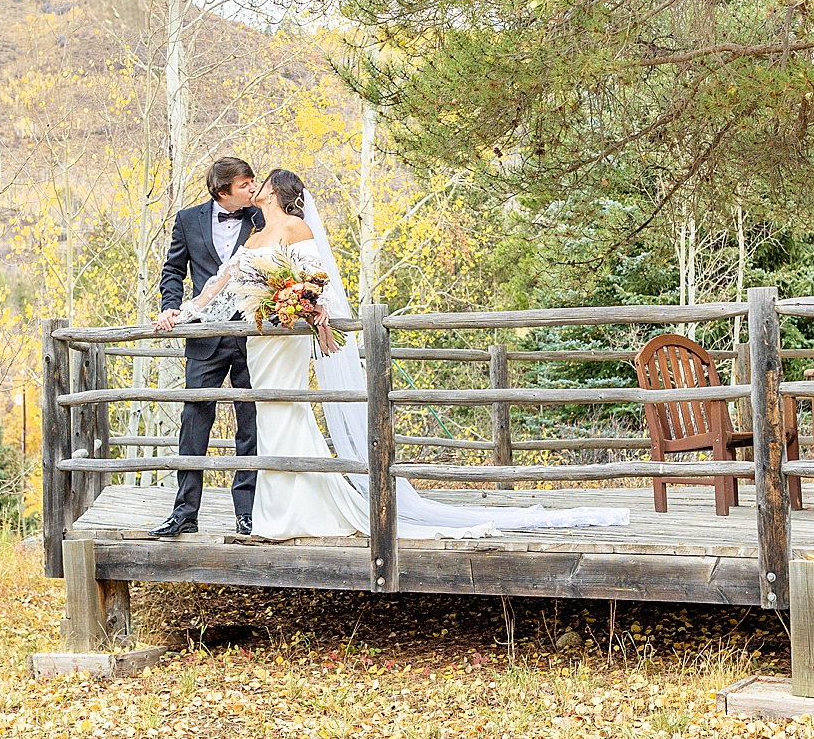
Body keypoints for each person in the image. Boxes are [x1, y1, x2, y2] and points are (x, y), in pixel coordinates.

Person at [157, 169, 629, 539]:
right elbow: (218, 288)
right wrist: (178, 313)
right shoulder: (254, 237)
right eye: (247, 184)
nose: (255, 188)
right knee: (268, 416)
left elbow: (313, 280)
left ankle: (298, 512)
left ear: (276, 191)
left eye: (261, 184)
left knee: (287, 413)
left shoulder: (297, 228)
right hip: (260, 342)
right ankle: (273, 514)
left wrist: (308, 308)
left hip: (285, 340)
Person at [149, 156, 263, 538]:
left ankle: (247, 513)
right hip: (203, 337)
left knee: (251, 425)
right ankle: (184, 513)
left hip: (252, 336)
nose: (253, 188)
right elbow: (173, 270)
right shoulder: (187, 219)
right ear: (222, 191)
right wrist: (170, 307)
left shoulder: (261, 218)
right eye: (246, 183)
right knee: (194, 423)